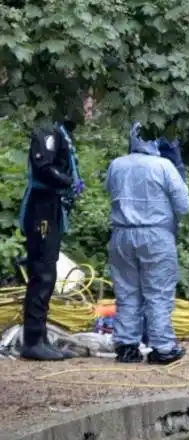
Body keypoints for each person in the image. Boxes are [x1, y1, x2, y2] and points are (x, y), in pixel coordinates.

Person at [106, 122, 189, 365]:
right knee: (159, 292)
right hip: (156, 234)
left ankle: (126, 346)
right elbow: (183, 205)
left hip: (122, 234)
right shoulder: (163, 166)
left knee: (126, 291)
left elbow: (110, 191)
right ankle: (163, 347)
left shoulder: (117, 165)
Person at [18, 117, 86, 361]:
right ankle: (33, 340)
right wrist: (70, 182)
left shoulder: (59, 132)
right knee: (42, 272)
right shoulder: (47, 129)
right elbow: (44, 167)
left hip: (51, 205)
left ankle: (41, 337)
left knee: (48, 270)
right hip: (41, 207)